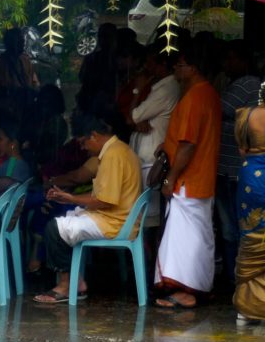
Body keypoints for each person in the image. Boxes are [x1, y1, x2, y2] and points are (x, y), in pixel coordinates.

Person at [33, 115, 142, 304]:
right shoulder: (119, 149)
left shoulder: (113, 155)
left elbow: (106, 201)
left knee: (53, 228)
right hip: (118, 218)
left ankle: (68, 285)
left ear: (94, 136)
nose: (83, 148)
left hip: (115, 222)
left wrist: (71, 198)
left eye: (84, 143)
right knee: (62, 219)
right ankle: (77, 283)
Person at [154, 44, 221, 309]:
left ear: (192, 68)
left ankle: (187, 291)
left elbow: (188, 144)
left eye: (180, 64)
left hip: (189, 180)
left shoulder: (195, 97)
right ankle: (199, 288)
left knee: (186, 238)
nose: (175, 68)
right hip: (201, 178)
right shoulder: (208, 93)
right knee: (199, 235)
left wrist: (171, 177)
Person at [216, 41, 260, 287]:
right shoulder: (241, 83)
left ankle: (237, 276)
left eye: (231, 59)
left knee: (232, 227)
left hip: (233, 171)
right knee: (230, 227)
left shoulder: (248, 84)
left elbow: (219, 107)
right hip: (229, 168)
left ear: (243, 60)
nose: (226, 64)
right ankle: (235, 275)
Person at [232, 78, 265, 323]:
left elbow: (242, 150)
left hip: (252, 179)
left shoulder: (246, 115)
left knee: (251, 235)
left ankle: (246, 310)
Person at [127, 47, 178, 227]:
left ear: (163, 65)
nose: (147, 67)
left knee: (150, 217)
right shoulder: (159, 87)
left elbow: (134, 116)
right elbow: (135, 118)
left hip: (152, 158)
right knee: (146, 213)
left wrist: (137, 90)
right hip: (147, 155)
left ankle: (151, 254)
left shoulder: (166, 88)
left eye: (150, 63)